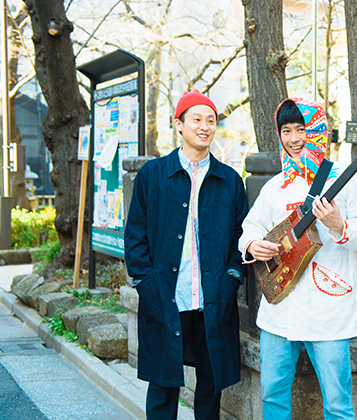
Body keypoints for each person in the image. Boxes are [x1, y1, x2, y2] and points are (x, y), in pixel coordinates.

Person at [238, 98, 357, 419]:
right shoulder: (275, 187)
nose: (293, 139)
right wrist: (252, 245)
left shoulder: (347, 180)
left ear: (318, 130)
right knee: (272, 395)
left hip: (329, 308)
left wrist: (339, 225)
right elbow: (251, 227)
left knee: (337, 403)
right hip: (279, 310)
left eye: (302, 129)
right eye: (286, 130)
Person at [124, 89, 248, 420]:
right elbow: (135, 235)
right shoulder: (153, 175)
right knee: (163, 386)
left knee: (210, 387)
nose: (205, 126)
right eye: (196, 119)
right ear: (179, 124)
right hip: (166, 294)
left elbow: (241, 235)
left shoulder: (230, 180)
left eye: (211, 120)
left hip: (212, 296)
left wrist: (232, 277)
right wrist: (145, 282)